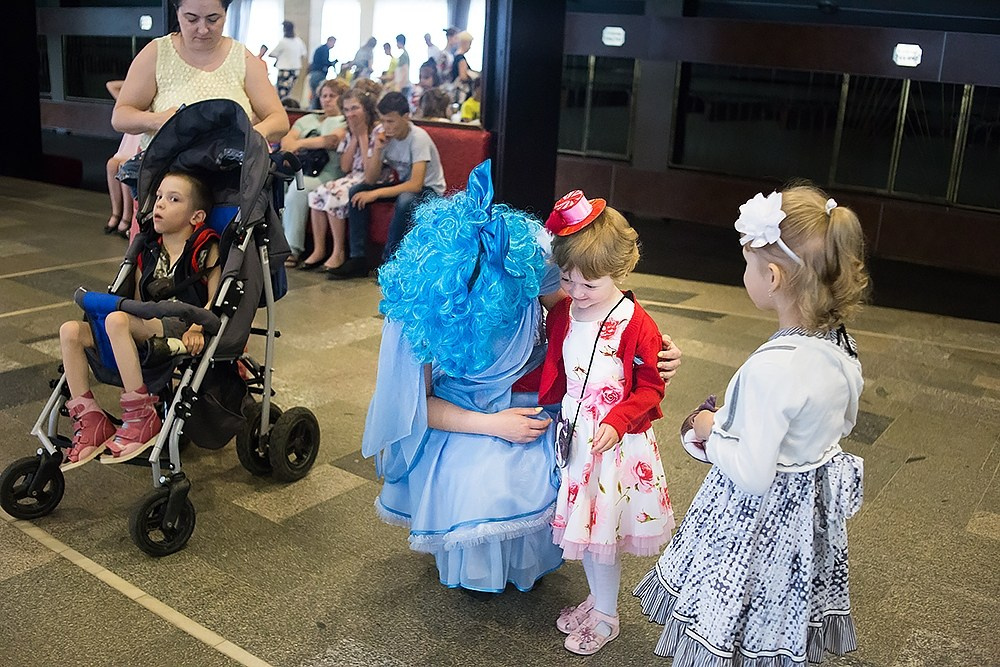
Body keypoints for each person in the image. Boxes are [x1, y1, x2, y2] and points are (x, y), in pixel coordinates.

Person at [361, 162, 685, 595]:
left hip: (537, 393)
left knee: (558, 462)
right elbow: (418, 404)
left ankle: (533, 558)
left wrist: (650, 354)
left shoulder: (521, 270)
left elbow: (590, 313)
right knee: (484, 480)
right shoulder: (421, 313)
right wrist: (492, 424)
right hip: (461, 412)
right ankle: (490, 559)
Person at [633, 184, 869, 665]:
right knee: (780, 601)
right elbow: (843, 423)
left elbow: (754, 471)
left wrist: (708, 429)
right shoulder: (842, 348)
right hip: (804, 513)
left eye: (748, 264)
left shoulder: (772, 368)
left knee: (742, 594)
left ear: (775, 276)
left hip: (759, 517)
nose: (745, 274)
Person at [539, 191, 674, 655]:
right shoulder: (563, 312)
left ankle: (607, 618)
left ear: (619, 272)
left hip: (615, 446)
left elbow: (651, 386)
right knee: (587, 529)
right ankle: (599, 599)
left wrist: (618, 420)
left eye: (588, 285)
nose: (575, 293)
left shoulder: (635, 322)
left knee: (603, 536)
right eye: (566, 280)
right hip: (577, 436)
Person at [58, 172, 221, 468]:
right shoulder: (147, 250)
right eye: (159, 197)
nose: (160, 204)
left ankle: (142, 414)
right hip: (144, 322)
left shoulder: (205, 248)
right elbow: (134, 299)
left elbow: (216, 297)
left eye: (173, 199)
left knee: (118, 321)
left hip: (181, 323)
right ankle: (90, 416)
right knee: (70, 330)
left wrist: (199, 326)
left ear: (196, 216)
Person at [112, 0, 288, 149]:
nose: (202, 29)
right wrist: (156, 120)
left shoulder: (243, 58)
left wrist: (250, 135)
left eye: (213, 19)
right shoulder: (156, 54)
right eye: (191, 19)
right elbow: (120, 117)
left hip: (230, 176)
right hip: (165, 173)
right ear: (178, 13)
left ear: (225, 14)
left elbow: (279, 120)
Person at [330, 91, 446, 279]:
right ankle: (358, 258)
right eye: (383, 121)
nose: (386, 126)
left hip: (430, 190)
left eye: (391, 121)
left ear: (406, 117)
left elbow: (416, 185)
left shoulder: (418, 138)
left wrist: (376, 194)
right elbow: (370, 179)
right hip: (403, 185)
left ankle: (389, 262)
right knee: (357, 191)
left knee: (405, 200)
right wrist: (377, 149)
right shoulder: (383, 136)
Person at [305, 88, 379, 274]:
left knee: (335, 194)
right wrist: (354, 136)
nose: (350, 113)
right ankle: (319, 249)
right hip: (352, 176)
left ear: (367, 109)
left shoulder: (378, 130)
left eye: (355, 108)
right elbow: (345, 166)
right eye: (346, 110)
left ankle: (339, 251)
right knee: (318, 193)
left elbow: (371, 170)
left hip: (373, 178)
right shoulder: (348, 132)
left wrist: (362, 135)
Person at [279, 78, 349, 267]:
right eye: (324, 96)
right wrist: (296, 143)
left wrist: (300, 143)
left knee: (298, 188)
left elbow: (332, 141)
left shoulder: (344, 120)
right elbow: (287, 141)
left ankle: (291, 249)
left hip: (328, 174)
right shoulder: (307, 119)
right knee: (273, 184)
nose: (327, 100)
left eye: (332, 96)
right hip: (300, 169)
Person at [104, 80, 139, 237]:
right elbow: (111, 85)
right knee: (112, 164)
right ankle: (116, 213)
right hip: (128, 144)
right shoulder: (132, 104)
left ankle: (128, 216)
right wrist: (134, 82)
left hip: (140, 144)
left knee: (125, 166)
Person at [270, 20, 308, 100]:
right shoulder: (298, 41)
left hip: (284, 69)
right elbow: (303, 54)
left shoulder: (283, 42)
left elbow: (272, 54)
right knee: (288, 91)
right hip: (295, 69)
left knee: (282, 92)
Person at [307, 36, 338, 109]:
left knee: (315, 95)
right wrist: (332, 63)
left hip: (314, 74)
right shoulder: (325, 50)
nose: (333, 45)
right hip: (319, 74)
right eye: (333, 43)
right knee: (318, 94)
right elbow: (324, 62)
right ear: (330, 41)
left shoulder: (321, 49)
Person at [450, 31, 476, 105]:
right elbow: (463, 76)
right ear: (464, 42)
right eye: (469, 43)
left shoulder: (455, 56)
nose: (470, 47)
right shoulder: (461, 58)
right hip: (461, 92)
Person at [393, 34, 410, 98]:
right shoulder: (404, 54)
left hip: (402, 85)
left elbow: (404, 71)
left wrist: (399, 86)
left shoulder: (404, 56)